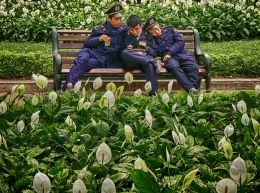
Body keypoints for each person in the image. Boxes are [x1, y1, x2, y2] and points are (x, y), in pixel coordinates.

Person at [62, 4, 127, 90]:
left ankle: (67, 87)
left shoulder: (124, 29)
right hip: (88, 52)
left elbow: (136, 33)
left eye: (120, 19)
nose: (119, 21)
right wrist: (99, 39)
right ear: (109, 19)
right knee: (82, 59)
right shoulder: (100, 29)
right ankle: (69, 87)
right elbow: (88, 43)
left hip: (100, 58)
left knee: (80, 64)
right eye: (116, 19)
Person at [144, 17, 199, 94]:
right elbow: (154, 52)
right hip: (169, 60)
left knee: (193, 67)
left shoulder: (170, 30)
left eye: (156, 29)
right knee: (174, 67)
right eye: (152, 32)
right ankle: (191, 89)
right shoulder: (152, 39)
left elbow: (180, 42)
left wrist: (170, 53)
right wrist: (148, 45)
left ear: (159, 25)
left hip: (182, 54)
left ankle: (193, 90)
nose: (156, 33)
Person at [121, 15, 159, 96]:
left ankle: (152, 95)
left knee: (150, 65)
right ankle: (150, 60)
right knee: (125, 52)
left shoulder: (147, 34)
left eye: (137, 29)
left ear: (141, 26)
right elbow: (120, 51)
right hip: (132, 62)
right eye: (132, 30)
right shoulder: (124, 35)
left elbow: (154, 52)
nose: (134, 32)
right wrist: (129, 48)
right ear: (128, 28)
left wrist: (145, 47)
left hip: (144, 63)